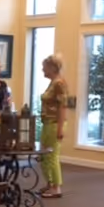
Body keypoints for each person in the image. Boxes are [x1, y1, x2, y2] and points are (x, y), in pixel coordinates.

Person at [40, 54, 68, 198]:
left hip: (54, 123)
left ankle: (56, 187)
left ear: (52, 68)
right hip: (46, 123)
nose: (42, 70)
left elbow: (63, 107)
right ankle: (49, 183)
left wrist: (60, 128)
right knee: (44, 155)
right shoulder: (52, 83)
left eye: (44, 67)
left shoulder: (59, 84)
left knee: (52, 156)